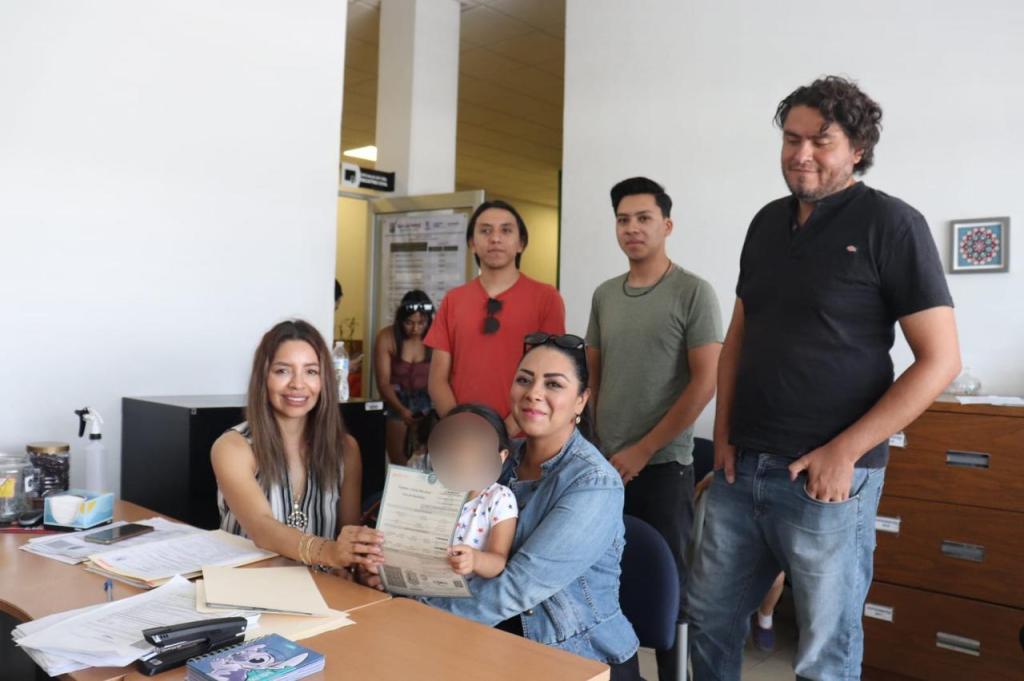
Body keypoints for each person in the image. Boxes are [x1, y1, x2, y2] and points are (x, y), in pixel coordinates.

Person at [685, 76, 961, 681]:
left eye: (821, 141)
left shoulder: (893, 223)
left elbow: (941, 360)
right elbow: (738, 338)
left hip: (828, 481)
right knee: (708, 622)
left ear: (857, 149)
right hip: (740, 468)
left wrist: (845, 452)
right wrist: (723, 431)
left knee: (824, 653)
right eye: (791, 139)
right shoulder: (766, 223)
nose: (801, 154)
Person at [365, 333, 641, 679]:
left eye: (553, 384)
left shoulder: (594, 484)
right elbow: (438, 543)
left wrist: (415, 611)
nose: (533, 393)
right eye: (524, 380)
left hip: (577, 657)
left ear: (580, 401)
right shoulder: (497, 459)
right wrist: (390, 574)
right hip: (486, 637)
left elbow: (516, 588)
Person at [587, 176, 722, 681]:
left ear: (667, 225)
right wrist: (592, 448)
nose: (632, 228)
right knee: (602, 581)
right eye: (623, 219)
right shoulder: (605, 295)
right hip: (605, 468)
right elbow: (591, 379)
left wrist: (642, 450)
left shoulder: (693, 292)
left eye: (644, 218)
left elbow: (705, 382)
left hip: (663, 468)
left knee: (669, 592)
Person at [212, 319, 384, 572]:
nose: (298, 384)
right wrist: (330, 552)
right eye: (283, 371)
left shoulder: (346, 449)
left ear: (324, 380)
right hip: (247, 586)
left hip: (323, 589)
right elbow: (262, 528)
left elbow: (348, 536)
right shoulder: (232, 447)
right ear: (263, 377)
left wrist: (361, 567)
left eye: (311, 372)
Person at [426, 200, 565, 437]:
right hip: (463, 439)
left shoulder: (546, 297)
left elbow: (548, 375)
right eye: (485, 231)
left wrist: (503, 434)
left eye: (506, 230)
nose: (495, 238)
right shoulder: (453, 300)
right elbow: (437, 380)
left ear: (521, 243)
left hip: (525, 438)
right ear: (472, 244)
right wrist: (460, 430)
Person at [440, 404, 518, 580]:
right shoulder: (432, 491)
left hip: (465, 593)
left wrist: (475, 560)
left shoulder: (500, 498)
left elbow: (498, 560)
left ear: (501, 457)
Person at [373, 290, 435, 464]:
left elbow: (443, 379)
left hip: (427, 402)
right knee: (399, 460)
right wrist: (401, 410)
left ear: (428, 321)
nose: (415, 329)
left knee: (427, 459)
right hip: (395, 400)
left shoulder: (436, 338)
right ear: (400, 320)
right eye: (409, 323)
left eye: (421, 323)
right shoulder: (387, 337)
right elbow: (383, 382)